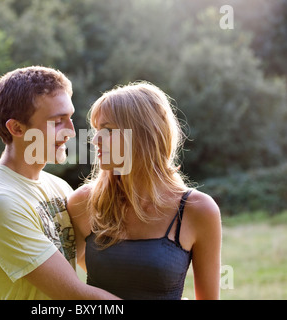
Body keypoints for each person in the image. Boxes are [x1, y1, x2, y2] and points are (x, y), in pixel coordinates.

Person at [0, 66, 119, 300]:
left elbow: (91, 264)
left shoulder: (57, 186)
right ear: (17, 128)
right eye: (57, 121)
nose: (70, 132)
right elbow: (75, 295)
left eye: (69, 117)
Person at [67, 81, 222, 300]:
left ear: (145, 135)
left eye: (108, 130)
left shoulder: (198, 210)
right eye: (96, 130)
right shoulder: (83, 202)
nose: (95, 140)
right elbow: (64, 279)